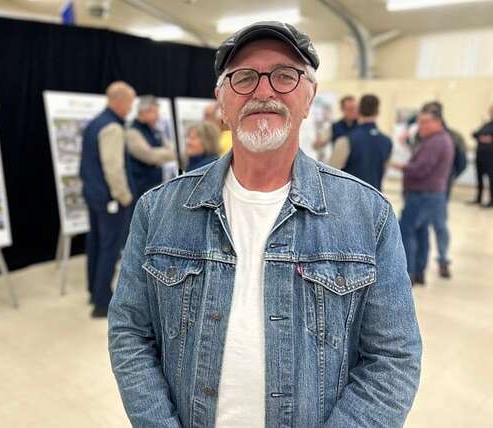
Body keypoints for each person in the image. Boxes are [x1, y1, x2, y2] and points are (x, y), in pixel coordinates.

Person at [109, 21, 421, 427]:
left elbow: (393, 359)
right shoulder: (158, 210)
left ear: (309, 98)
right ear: (222, 102)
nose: (263, 91)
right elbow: (130, 333)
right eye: (243, 77)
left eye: (284, 75)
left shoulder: (368, 215)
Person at [80, 81, 135, 318]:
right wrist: (124, 196)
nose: (130, 109)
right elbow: (113, 167)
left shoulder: (95, 123)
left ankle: (94, 290)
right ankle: (102, 302)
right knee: (109, 248)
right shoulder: (112, 127)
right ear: (120, 102)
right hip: (109, 199)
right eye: (130, 104)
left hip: (94, 196)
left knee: (95, 243)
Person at [394, 109, 454, 286]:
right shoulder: (436, 140)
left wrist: (401, 167)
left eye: (424, 122)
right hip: (431, 194)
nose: (420, 126)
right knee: (421, 233)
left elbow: (421, 168)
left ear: (437, 122)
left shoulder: (436, 142)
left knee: (407, 231)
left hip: (422, 195)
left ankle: (409, 273)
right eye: (419, 122)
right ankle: (419, 271)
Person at [416, 101, 467, 278]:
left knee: (439, 226)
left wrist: (447, 177)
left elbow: (461, 163)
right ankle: (418, 268)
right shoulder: (421, 135)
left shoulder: (453, 137)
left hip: (439, 191)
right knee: (420, 228)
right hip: (421, 190)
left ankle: (443, 260)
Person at [328, 94, 392, 191]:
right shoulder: (387, 142)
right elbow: (383, 170)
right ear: (378, 112)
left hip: (349, 199)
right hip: (376, 200)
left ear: (358, 111)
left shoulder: (345, 140)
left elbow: (330, 174)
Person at [126, 95, 177, 199]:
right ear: (145, 112)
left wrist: (161, 153)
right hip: (139, 189)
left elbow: (173, 150)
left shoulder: (155, 130)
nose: (158, 116)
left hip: (155, 186)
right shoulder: (132, 132)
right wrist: (166, 153)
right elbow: (150, 156)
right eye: (155, 112)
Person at [472, 104, 493, 207]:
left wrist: (488, 138)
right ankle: (478, 198)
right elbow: (475, 133)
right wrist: (484, 137)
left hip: (491, 158)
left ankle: (491, 201)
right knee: (479, 178)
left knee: (491, 179)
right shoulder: (487, 124)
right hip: (481, 155)